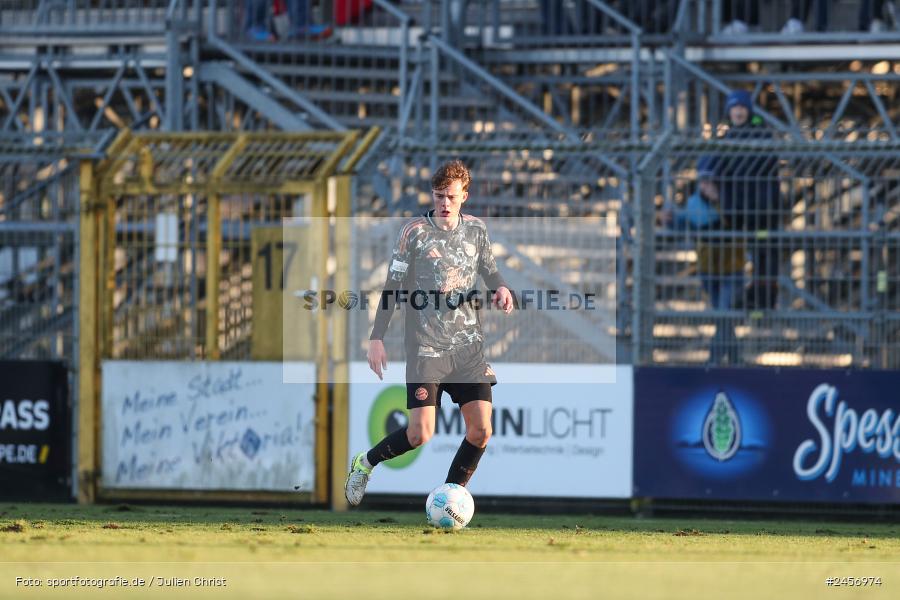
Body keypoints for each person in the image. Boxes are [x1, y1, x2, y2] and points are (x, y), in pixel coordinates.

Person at [344, 160, 514, 506]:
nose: (444, 203)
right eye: (439, 196)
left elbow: (489, 270)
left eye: (451, 196)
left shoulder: (477, 231)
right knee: (420, 433)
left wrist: (501, 288)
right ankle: (365, 463)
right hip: (427, 348)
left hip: (468, 348)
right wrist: (376, 337)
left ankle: (448, 498)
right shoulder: (415, 233)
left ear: (464, 196)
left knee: (481, 429)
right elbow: (392, 286)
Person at [663, 158, 745, 365]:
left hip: (731, 268)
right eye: (703, 182)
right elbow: (682, 224)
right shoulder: (694, 204)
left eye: (710, 181)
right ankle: (736, 360)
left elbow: (740, 222)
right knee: (721, 317)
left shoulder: (732, 200)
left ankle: (713, 361)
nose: (705, 186)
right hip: (708, 267)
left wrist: (720, 202)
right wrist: (669, 219)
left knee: (723, 314)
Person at [714, 89, 781, 310]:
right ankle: (739, 299)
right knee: (734, 255)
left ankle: (763, 302)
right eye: (734, 108)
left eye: (742, 107)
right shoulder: (727, 140)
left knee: (764, 255)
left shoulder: (761, 135)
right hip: (736, 212)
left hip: (761, 212)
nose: (738, 112)